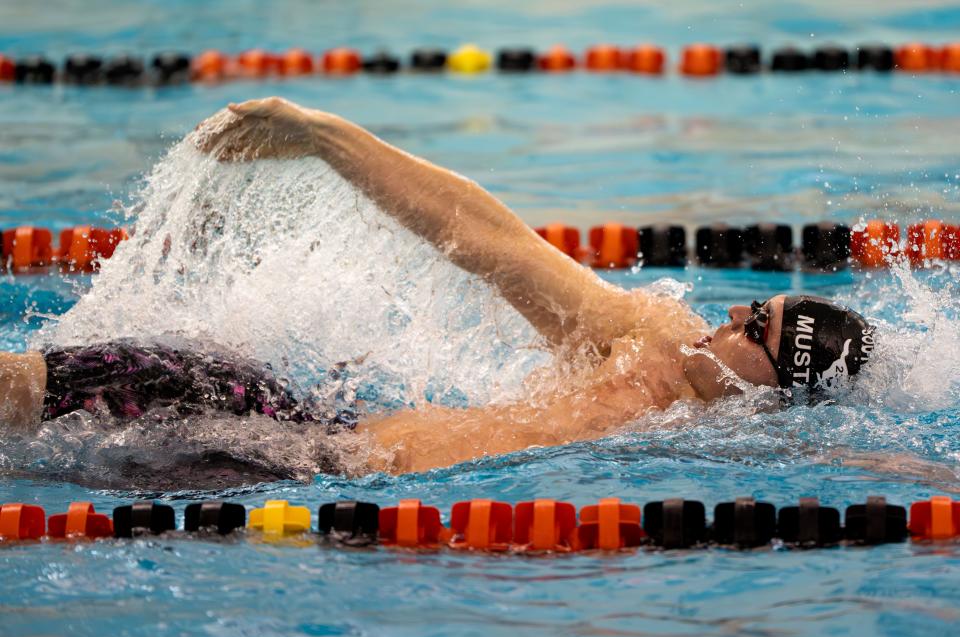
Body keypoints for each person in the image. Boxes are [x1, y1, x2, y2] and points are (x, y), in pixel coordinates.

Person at [0, 98, 875, 476]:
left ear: (774, 383)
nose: (726, 316)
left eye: (752, 324)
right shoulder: (639, 337)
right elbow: (487, 239)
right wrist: (325, 139)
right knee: (130, 374)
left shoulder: (734, 446)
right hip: (314, 446)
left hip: (299, 479)